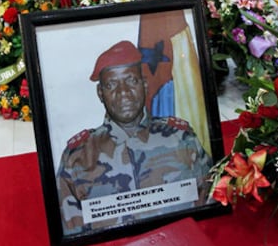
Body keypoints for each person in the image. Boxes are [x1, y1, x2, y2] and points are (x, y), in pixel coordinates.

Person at [57, 40, 212, 235]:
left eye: (131, 81)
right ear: (100, 93)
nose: (123, 93)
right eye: (112, 84)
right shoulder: (78, 156)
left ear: (145, 85)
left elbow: (210, 204)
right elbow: (70, 232)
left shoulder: (181, 138)